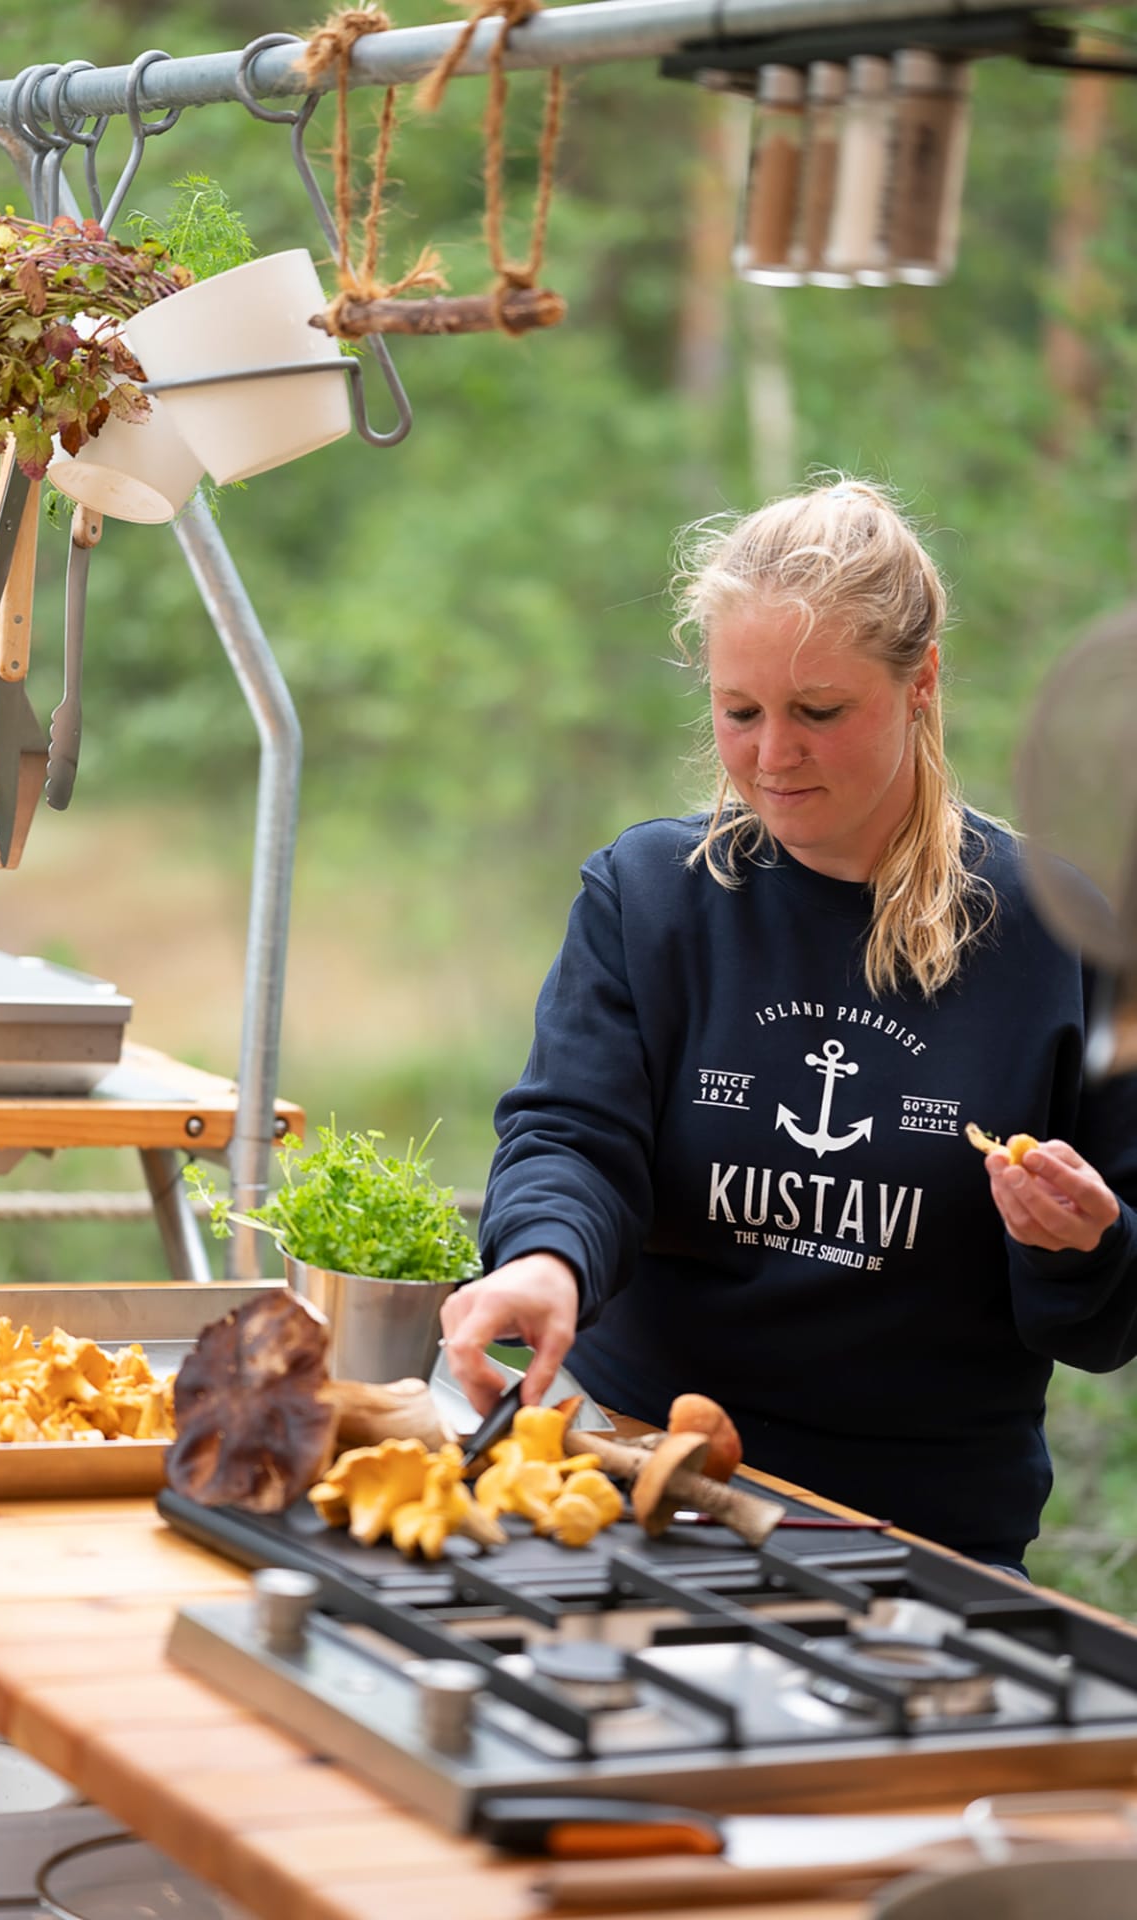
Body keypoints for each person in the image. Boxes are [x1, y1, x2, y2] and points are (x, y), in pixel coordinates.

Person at [439, 476, 1137, 1575]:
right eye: (739, 711)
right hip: (628, 1484)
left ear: (922, 682)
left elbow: (1105, 1324)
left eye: (819, 711)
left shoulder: (1063, 935)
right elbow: (574, 1139)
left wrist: (1085, 1246)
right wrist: (543, 1262)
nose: (772, 756)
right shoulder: (649, 897)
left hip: (921, 1541)